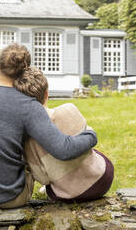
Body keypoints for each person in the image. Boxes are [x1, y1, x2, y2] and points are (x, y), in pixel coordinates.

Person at [0, 43, 98, 208]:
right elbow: (63, 149)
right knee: (36, 143)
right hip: (8, 197)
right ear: (26, 70)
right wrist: (90, 135)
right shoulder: (28, 105)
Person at [14, 67, 114, 203]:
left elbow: (43, 178)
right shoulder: (69, 109)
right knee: (93, 152)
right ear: (47, 94)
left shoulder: (27, 139)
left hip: (67, 195)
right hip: (102, 180)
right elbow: (86, 134)